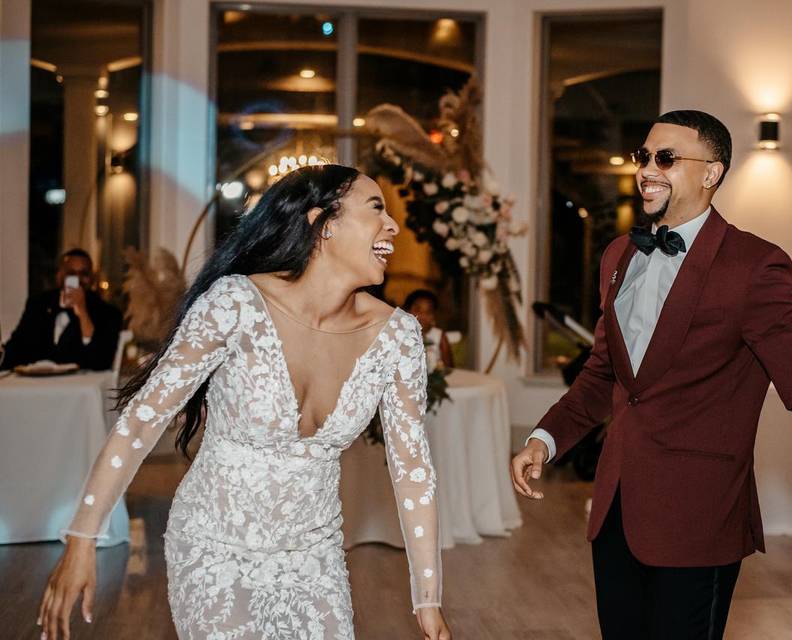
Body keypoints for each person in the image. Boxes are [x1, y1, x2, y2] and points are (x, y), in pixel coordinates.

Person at [38, 165, 450, 640]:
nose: (393, 226)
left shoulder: (397, 336)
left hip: (315, 558)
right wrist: (82, 538)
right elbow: (140, 423)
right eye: (377, 209)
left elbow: (414, 473)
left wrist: (428, 598)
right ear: (323, 223)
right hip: (214, 546)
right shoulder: (234, 304)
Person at [511, 111, 792, 639]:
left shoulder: (754, 266)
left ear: (711, 173)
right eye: (644, 156)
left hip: (701, 515)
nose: (648, 169)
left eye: (667, 158)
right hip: (617, 512)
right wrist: (545, 437)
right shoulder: (617, 255)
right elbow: (604, 374)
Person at [0, 249, 121, 371]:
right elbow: (16, 348)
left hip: (80, 388)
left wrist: (82, 312)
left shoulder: (108, 313)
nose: (78, 279)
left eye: (84, 274)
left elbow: (101, 361)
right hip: (35, 386)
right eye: (71, 273)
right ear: (59, 277)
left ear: (92, 279)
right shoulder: (38, 304)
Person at [403, 289, 454, 370]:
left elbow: (449, 367)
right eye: (418, 310)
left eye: (428, 312)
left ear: (434, 315)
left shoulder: (439, 336)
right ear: (408, 311)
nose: (423, 316)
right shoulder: (401, 335)